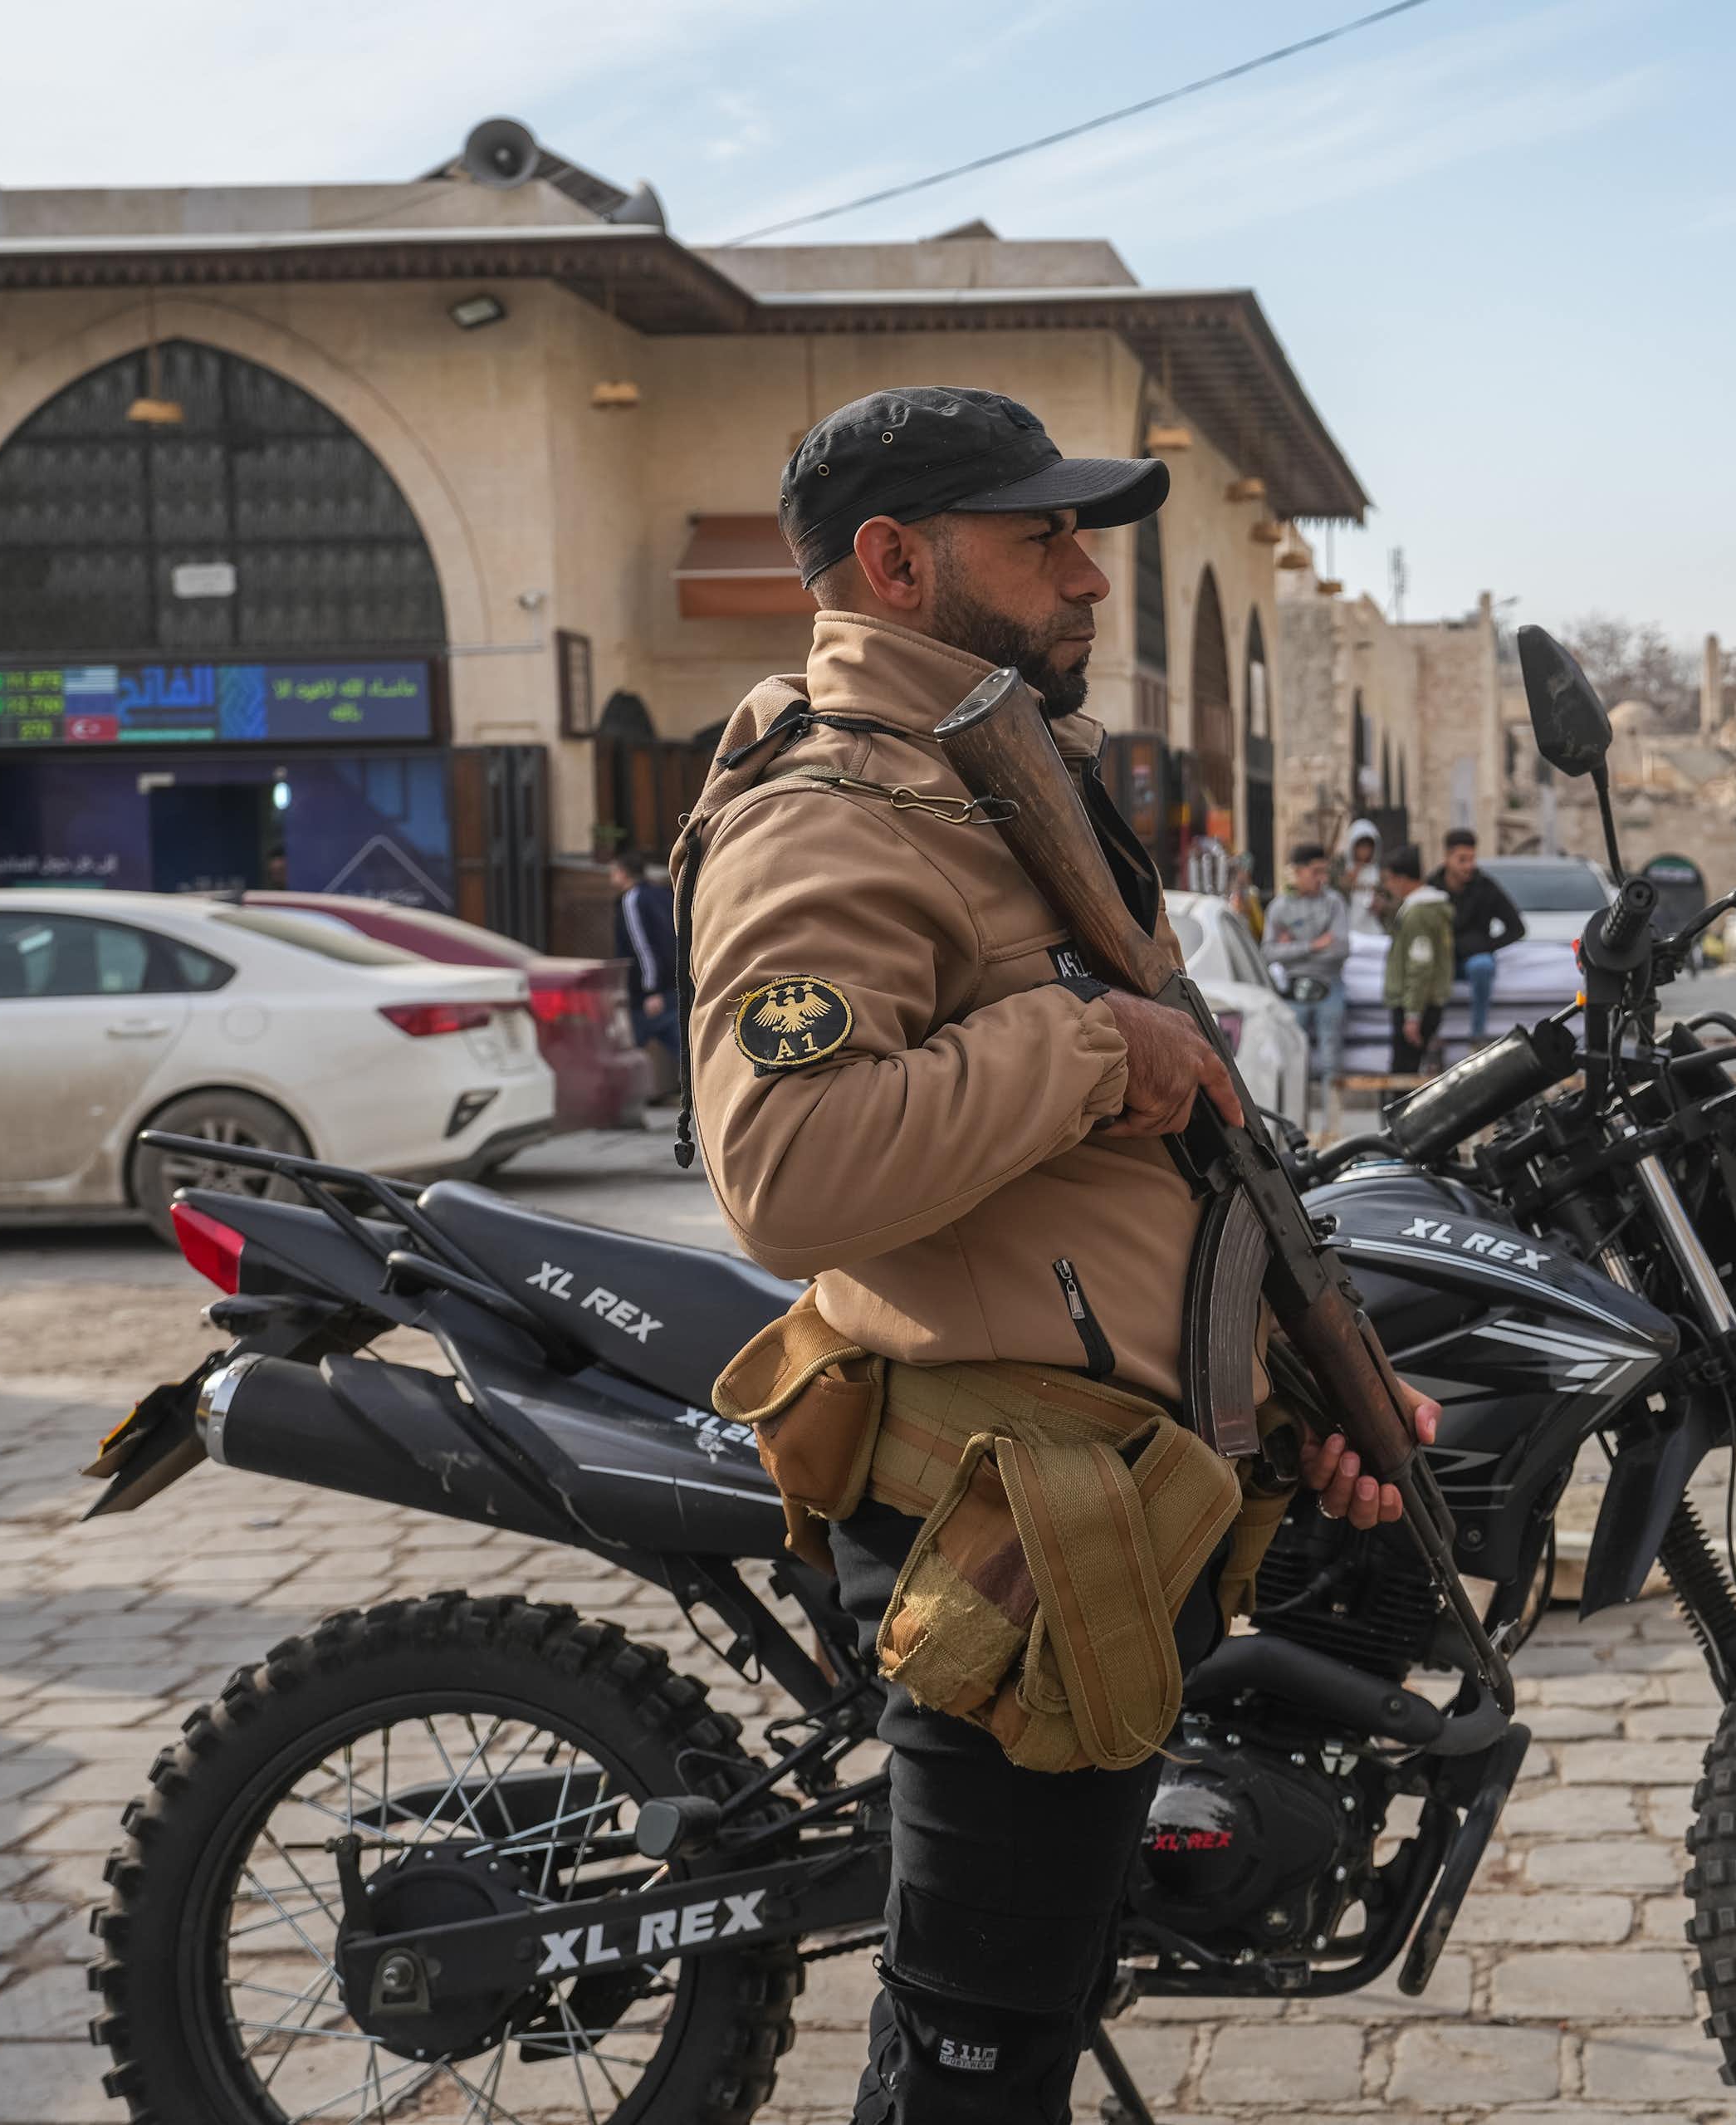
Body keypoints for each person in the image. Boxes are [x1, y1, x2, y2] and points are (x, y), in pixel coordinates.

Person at [672, 384, 1434, 2124]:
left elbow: (1135, 1188)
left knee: (1017, 2008)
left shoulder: (989, 780)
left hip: (1108, 1499)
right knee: (974, 2057)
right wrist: (1097, 1048)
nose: (1086, 574)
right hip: (1004, 1528)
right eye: (1040, 538)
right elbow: (783, 1169)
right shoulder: (834, 808)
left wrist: (1304, 1381)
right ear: (894, 560)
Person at [1264, 842, 1351, 1110]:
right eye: (1315, 872)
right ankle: (1295, 1118)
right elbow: (1268, 952)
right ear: (1298, 872)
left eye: (1324, 871)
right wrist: (1313, 945)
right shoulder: (1279, 908)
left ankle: (1332, 1125)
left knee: (1330, 1058)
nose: (1321, 878)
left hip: (1329, 985)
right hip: (1294, 989)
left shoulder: (1333, 903)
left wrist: (1291, 948)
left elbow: (1340, 949)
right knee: (1292, 1058)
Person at [1441, 827, 1525, 1043]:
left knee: (1482, 965)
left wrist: (1485, 945)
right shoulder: (1433, 888)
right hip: (1441, 961)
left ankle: (1477, 1038)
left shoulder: (1485, 888)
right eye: (1462, 860)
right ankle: (1433, 1039)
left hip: (1473, 959)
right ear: (1447, 858)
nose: (1468, 866)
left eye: (1472, 859)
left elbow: (1517, 928)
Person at [609, 850, 680, 1088]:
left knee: (624, 1050)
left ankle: (619, 1107)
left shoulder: (632, 900)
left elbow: (643, 947)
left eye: (614, 872)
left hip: (649, 993)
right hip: (673, 984)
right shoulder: (661, 894)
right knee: (685, 1050)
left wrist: (652, 990)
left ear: (623, 874)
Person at [1382, 843, 1453, 1075]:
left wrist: (1413, 1015)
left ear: (1402, 879)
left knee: (1404, 1075)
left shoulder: (1418, 914)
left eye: (1390, 880)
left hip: (1415, 1005)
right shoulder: (1425, 908)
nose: (1389, 887)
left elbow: (1420, 966)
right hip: (1422, 1003)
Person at [1335, 817, 1384, 934]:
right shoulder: (1342, 868)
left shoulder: (1376, 872)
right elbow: (1340, 890)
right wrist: (1356, 869)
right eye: (1361, 847)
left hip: (1371, 924)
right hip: (1349, 924)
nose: (1365, 851)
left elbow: (1384, 895)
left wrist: (1379, 903)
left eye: (1368, 847)